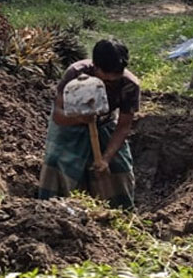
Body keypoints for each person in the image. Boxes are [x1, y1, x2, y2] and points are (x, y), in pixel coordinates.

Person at [38, 39, 140, 209]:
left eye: (115, 80)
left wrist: (106, 159)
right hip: (69, 123)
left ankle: (119, 211)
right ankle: (53, 209)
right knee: (57, 163)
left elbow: (123, 126)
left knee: (119, 167)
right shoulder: (75, 75)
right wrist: (80, 119)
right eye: (106, 81)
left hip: (104, 124)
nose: (110, 84)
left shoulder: (129, 85)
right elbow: (58, 115)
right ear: (95, 67)